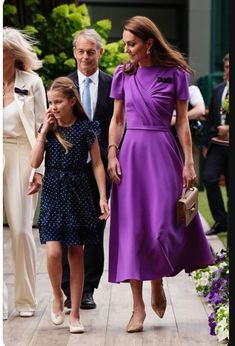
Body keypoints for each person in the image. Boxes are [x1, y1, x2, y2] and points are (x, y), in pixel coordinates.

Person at [107, 16, 214, 333]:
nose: (127, 49)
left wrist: (189, 162)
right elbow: (117, 119)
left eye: (132, 43)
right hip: (130, 156)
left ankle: (157, 282)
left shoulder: (175, 74)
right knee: (133, 231)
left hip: (163, 154)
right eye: (125, 43)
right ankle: (137, 307)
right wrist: (112, 151)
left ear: (149, 43)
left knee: (161, 228)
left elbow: (182, 122)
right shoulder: (122, 74)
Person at [30, 76, 110, 333]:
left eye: (58, 102)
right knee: (54, 252)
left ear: (72, 101)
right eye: (50, 102)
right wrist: (43, 131)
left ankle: (75, 313)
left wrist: (102, 196)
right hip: (53, 191)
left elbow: (97, 163)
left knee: (76, 254)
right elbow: (34, 161)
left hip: (79, 193)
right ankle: (56, 296)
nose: (52, 106)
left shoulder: (88, 128)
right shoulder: (49, 129)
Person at [61, 28, 114, 310]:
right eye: (80, 51)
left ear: (100, 53)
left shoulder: (113, 84)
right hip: (68, 171)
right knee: (68, 228)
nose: (85, 56)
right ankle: (69, 288)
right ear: (74, 53)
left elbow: (120, 125)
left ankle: (88, 289)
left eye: (90, 51)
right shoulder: (64, 85)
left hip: (101, 169)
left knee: (95, 229)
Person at [3, 27, 47, 318]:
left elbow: (43, 128)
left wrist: (39, 169)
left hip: (22, 155)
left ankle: (25, 300)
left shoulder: (32, 82)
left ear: (11, 53)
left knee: (20, 231)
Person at [202, 53, 229, 235]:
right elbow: (211, 117)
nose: (228, 71)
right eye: (227, 67)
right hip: (216, 145)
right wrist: (205, 144)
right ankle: (221, 220)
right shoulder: (219, 89)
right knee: (209, 179)